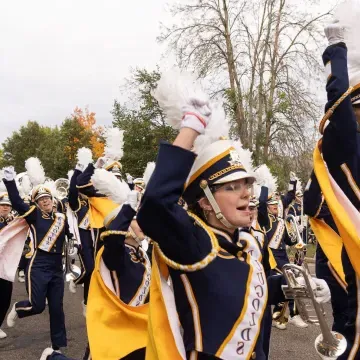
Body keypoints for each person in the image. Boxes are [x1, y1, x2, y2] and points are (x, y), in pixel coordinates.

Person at [136, 72, 330, 359]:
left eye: (246, 185)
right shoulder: (193, 241)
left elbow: (246, 289)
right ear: (204, 200)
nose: (246, 194)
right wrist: (192, 126)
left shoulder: (245, 243)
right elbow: (153, 206)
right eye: (232, 187)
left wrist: (293, 287)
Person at [3, 168, 75, 353]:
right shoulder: (34, 216)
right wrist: (10, 182)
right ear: (37, 203)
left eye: (48, 198)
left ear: (52, 200)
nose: (46, 201)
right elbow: (18, 203)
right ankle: (18, 309)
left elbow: (67, 234)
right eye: (42, 200)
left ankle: (57, 347)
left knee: (57, 309)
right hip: (39, 265)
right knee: (37, 306)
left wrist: (74, 241)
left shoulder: (61, 217)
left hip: (56, 267)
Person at [0, 193, 14, 339]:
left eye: (8, 205)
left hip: (5, 267)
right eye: (3, 205)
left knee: (5, 298)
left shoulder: (10, 221)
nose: (5, 207)